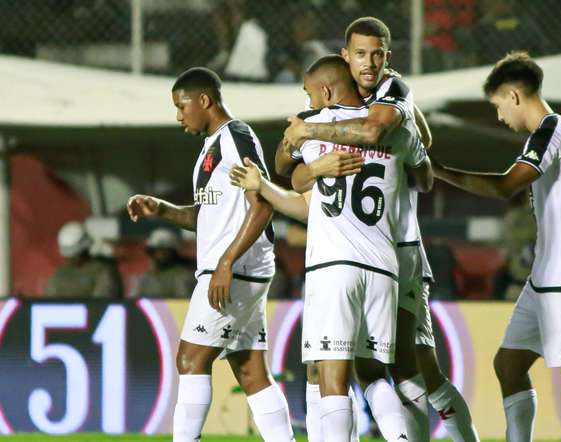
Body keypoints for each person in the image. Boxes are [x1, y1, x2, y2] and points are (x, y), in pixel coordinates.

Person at [282, 17, 480, 442]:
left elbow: (289, 169)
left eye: (377, 54)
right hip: (386, 257)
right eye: (360, 54)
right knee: (384, 369)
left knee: (404, 369)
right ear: (345, 58)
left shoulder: (388, 97)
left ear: (388, 57)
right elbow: (423, 167)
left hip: (397, 251)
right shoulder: (390, 109)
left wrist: (307, 136)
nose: (369, 63)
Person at [431, 52, 561, 441]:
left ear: (513, 95)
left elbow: (507, 184)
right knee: (508, 364)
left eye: (497, 106)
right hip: (548, 278)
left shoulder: (551, 132)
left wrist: (440, 171)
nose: (499, 117)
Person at [234, 53, 432, 442]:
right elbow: (424, 175)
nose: (307, 103)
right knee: (374, 373)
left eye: (309, 94)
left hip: (334, 267)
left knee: (331, 377)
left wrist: (308, 164)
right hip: (384, 268)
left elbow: (282, 163)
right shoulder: (392, 128)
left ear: (325, 91)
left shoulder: (313, 124)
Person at [125, 67, 293, 442]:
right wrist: (162, 208)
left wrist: (226, 262)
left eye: (181, 106)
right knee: (250, 372)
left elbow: (263, 204)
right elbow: (206, 218)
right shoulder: (211, 146)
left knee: (190, 358)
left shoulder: (234, 137)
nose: (178, 115)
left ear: (204, 100)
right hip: (239, 268)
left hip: (235, 270)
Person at [45, 221, 118, 298]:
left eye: (75, 256)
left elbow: (101, 302)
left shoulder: (100, 271)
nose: (72, 259)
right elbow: (49, 303)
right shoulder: (58, 276)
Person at [129, 228, 196, 298]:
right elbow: (131, 302)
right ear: (151, 253)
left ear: (173, 253)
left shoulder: (182, 277)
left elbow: (183, 302)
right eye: (157, 251)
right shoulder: (143, 279)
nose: (160, 255)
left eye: (165, 252)